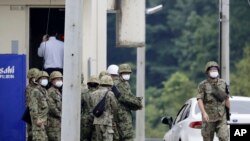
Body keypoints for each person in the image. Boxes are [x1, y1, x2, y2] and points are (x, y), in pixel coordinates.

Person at [197, 61, 230, 141]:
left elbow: (227, 98)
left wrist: (228, 112)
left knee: (224, 137)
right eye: (212, 70)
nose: (214, 71)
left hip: (221, 117)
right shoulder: (203, 85)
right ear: (207, 72)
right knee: (207, 139)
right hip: (209, 118)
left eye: (215, 69)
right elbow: (199, 99)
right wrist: (204, 113)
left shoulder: (223, 83)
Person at [115, 63, 143, 141]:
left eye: (128, 73)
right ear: (120, 74)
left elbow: (129, 96)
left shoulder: (125, 84)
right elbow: (124, 97)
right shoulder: (118, 84)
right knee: (128, 137)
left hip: (125, 113)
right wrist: (137, 102)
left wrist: (136, 100)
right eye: (124, 73)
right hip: (121, 115)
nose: (126, 75)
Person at [90, 75, 118, 141]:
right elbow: (115, 107)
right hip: (107, 122)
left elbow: (91, 107)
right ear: (110, 84)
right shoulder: (110, 93)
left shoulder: (93, 94)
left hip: (96, 122)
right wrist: (115, 120)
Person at [29, 71, 50, 141]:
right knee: (39, 138)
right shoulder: (35, 91)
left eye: (46, 78)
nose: (45, 80)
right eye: (43, 78)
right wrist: (37, 119)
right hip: (38, 121)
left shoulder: (44, 91)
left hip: (44, 120)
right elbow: (33, 107)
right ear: (38, 80)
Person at [81, 75, 99, 141]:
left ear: (88, 84)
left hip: (85, 120)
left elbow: (80, 106)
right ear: (98, 85)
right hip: (96, 119)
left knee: (84, 138)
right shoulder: (100, 94)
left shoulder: (83, 93)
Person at [47, 71, 63, 141]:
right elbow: (52, 107)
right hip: (53, 125)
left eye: (60, 79)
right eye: (57, 79)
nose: (59, 81)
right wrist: (62, 115)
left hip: (58, 124)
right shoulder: (50, 92)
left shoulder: (58, 91)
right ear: (52, 81)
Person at [25, 68, 40, 141]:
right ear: (31, 78)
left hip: (38, 112)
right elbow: (29, 102)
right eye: (35, 77)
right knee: (31, 132)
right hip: (30, 112)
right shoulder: (29, 88)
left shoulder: (39, 87)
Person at [107, 64, 120, 141]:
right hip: (110, 118)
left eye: (116, 76)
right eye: (113, 76)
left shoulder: (117, 87)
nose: (115, 78)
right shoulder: (112, 88)